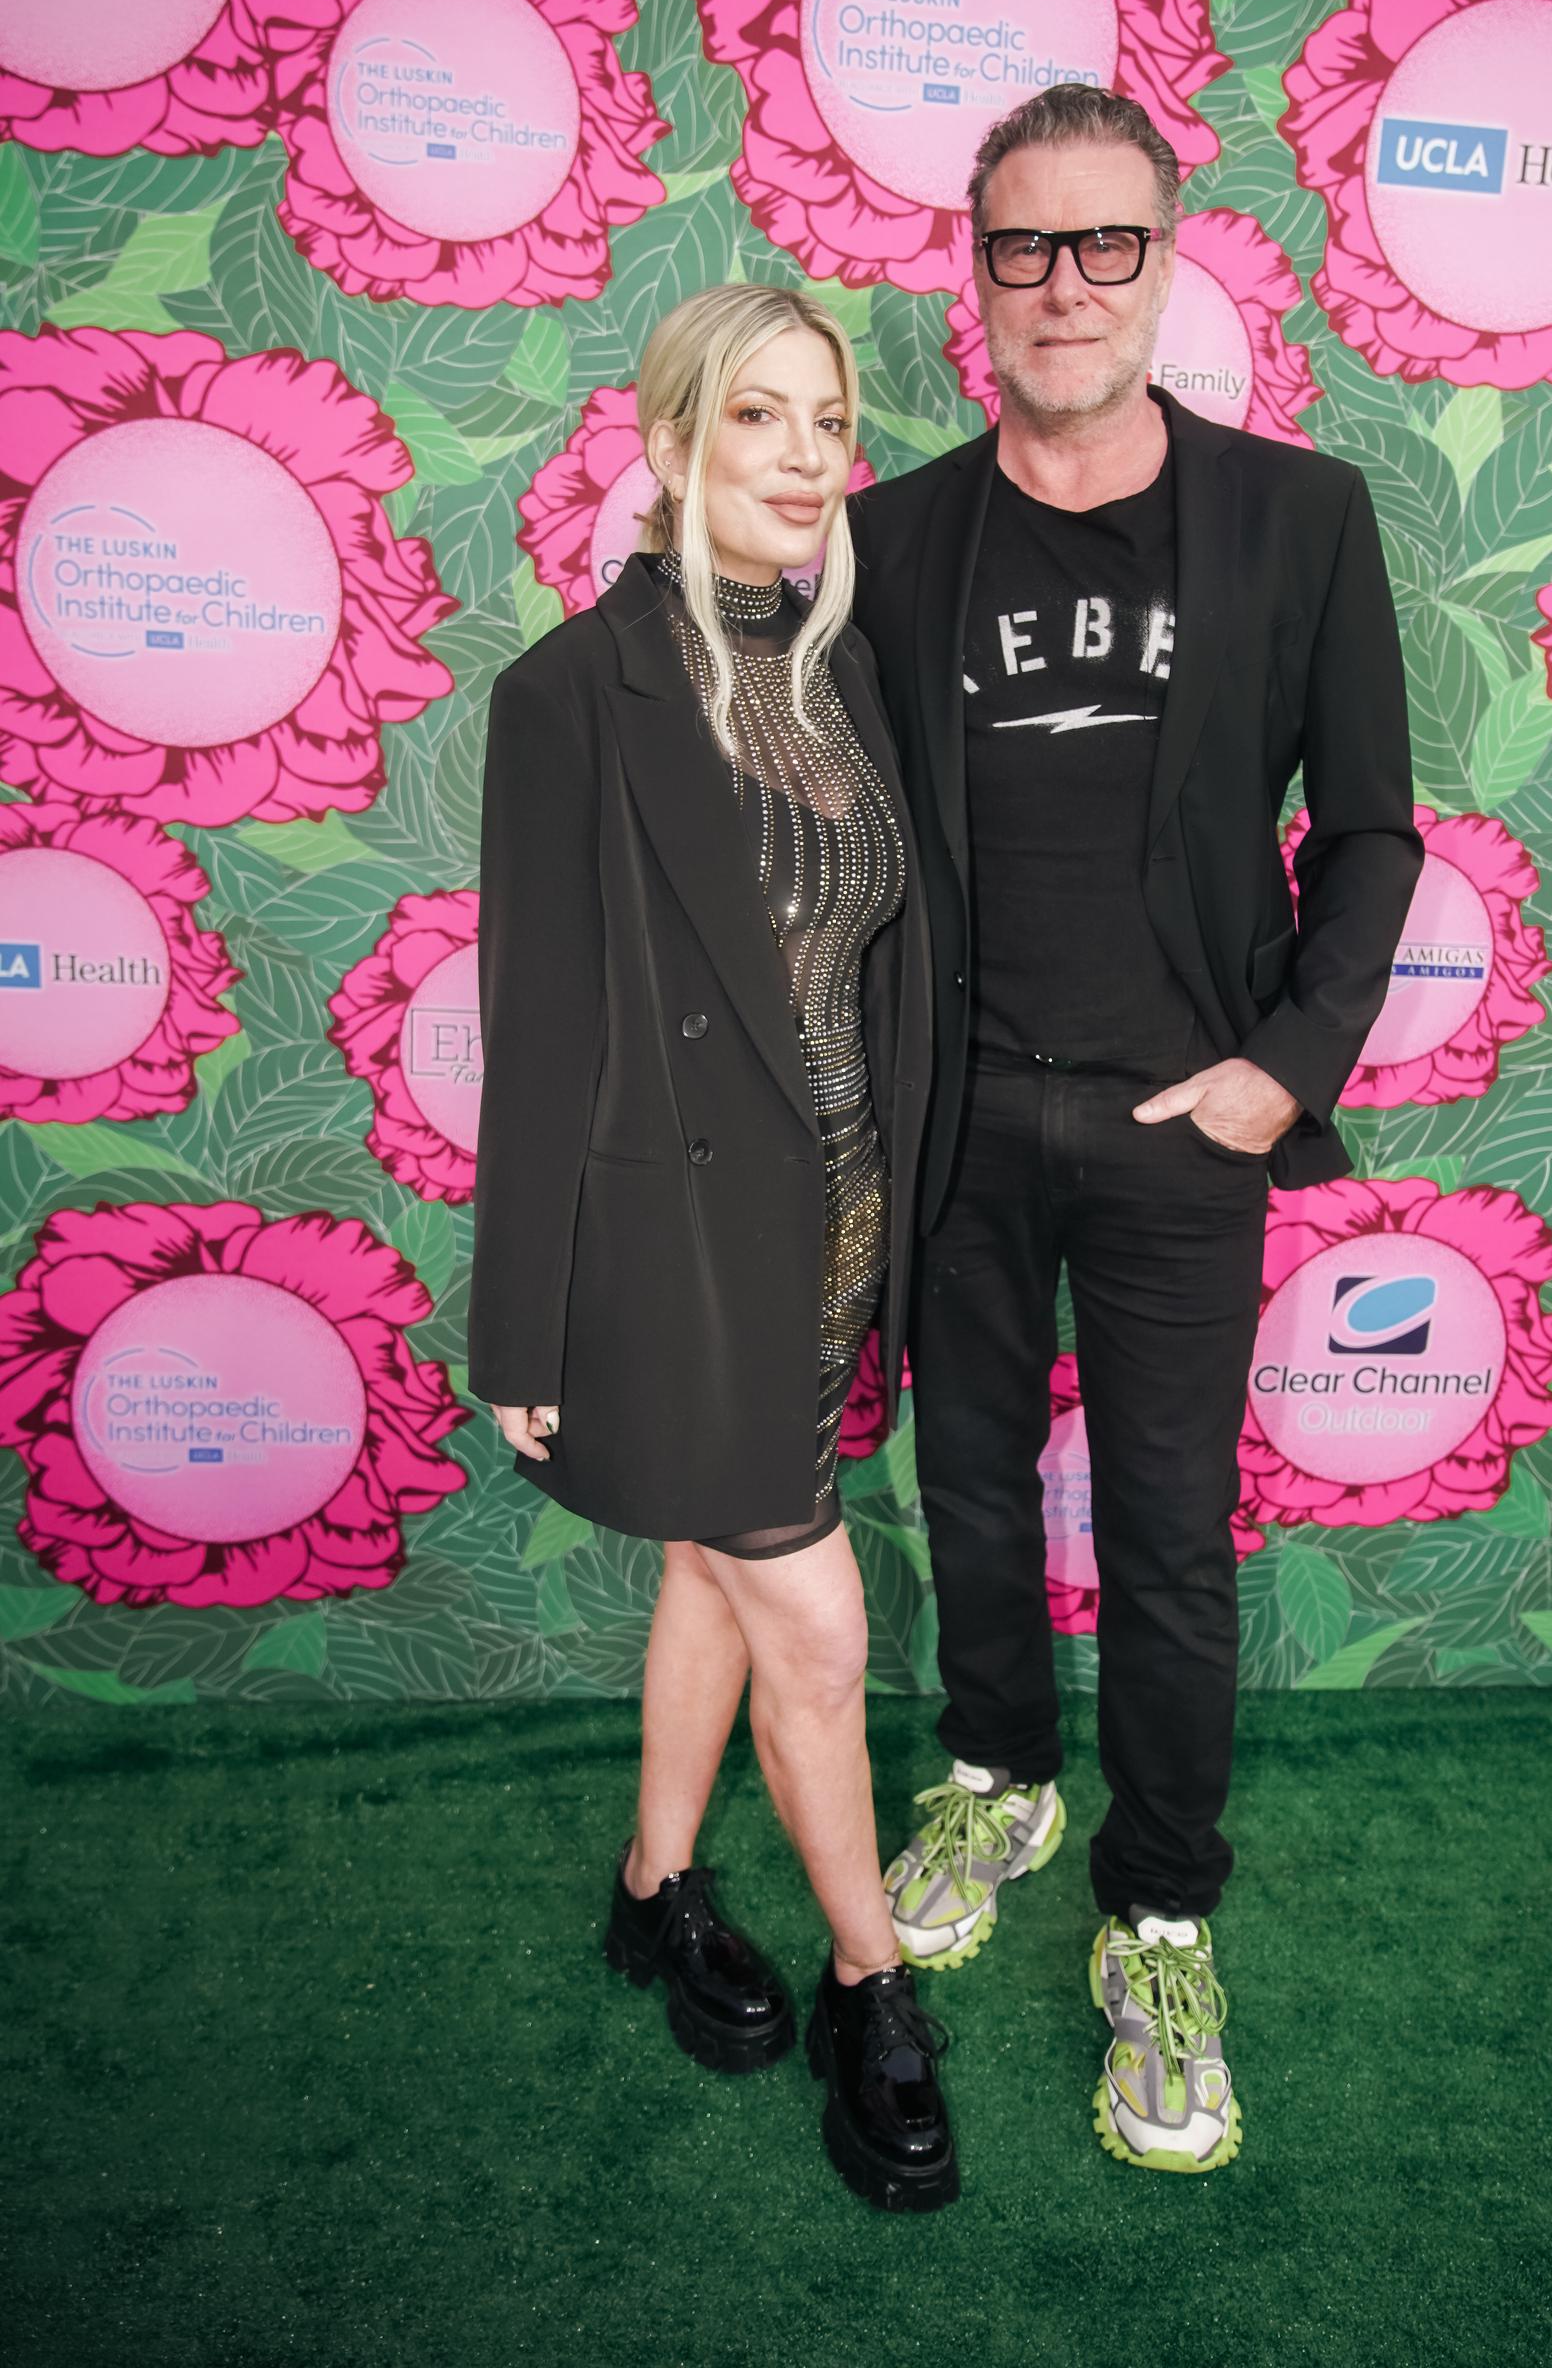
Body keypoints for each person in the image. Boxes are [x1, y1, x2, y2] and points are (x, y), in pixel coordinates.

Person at [848, 85, 1422, 2175]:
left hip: (1189, 1125)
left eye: (1108, 244)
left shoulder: (1300, 517)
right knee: (971, 1494)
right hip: (959, 1122)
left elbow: (1370, 829)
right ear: (977, 271)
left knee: (1172, 1538)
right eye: (1026, 245)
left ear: (1168, 263)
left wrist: (1288, 1065)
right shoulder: (892, 535)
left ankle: (1163, 1911)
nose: (1066, 285)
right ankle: (1000, 1773)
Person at [468, 284, 954, 2213]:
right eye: (759, 416)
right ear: (672, 441)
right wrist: (522, 1324)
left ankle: (653, 1888)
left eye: (829, 421)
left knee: (707, 1569)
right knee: (816, 1635)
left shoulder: (844, 675)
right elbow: (541, 1027)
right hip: (681, 1250)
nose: (808, 456)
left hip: (837, 1232)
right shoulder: (571, 694)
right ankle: (870, 1986)